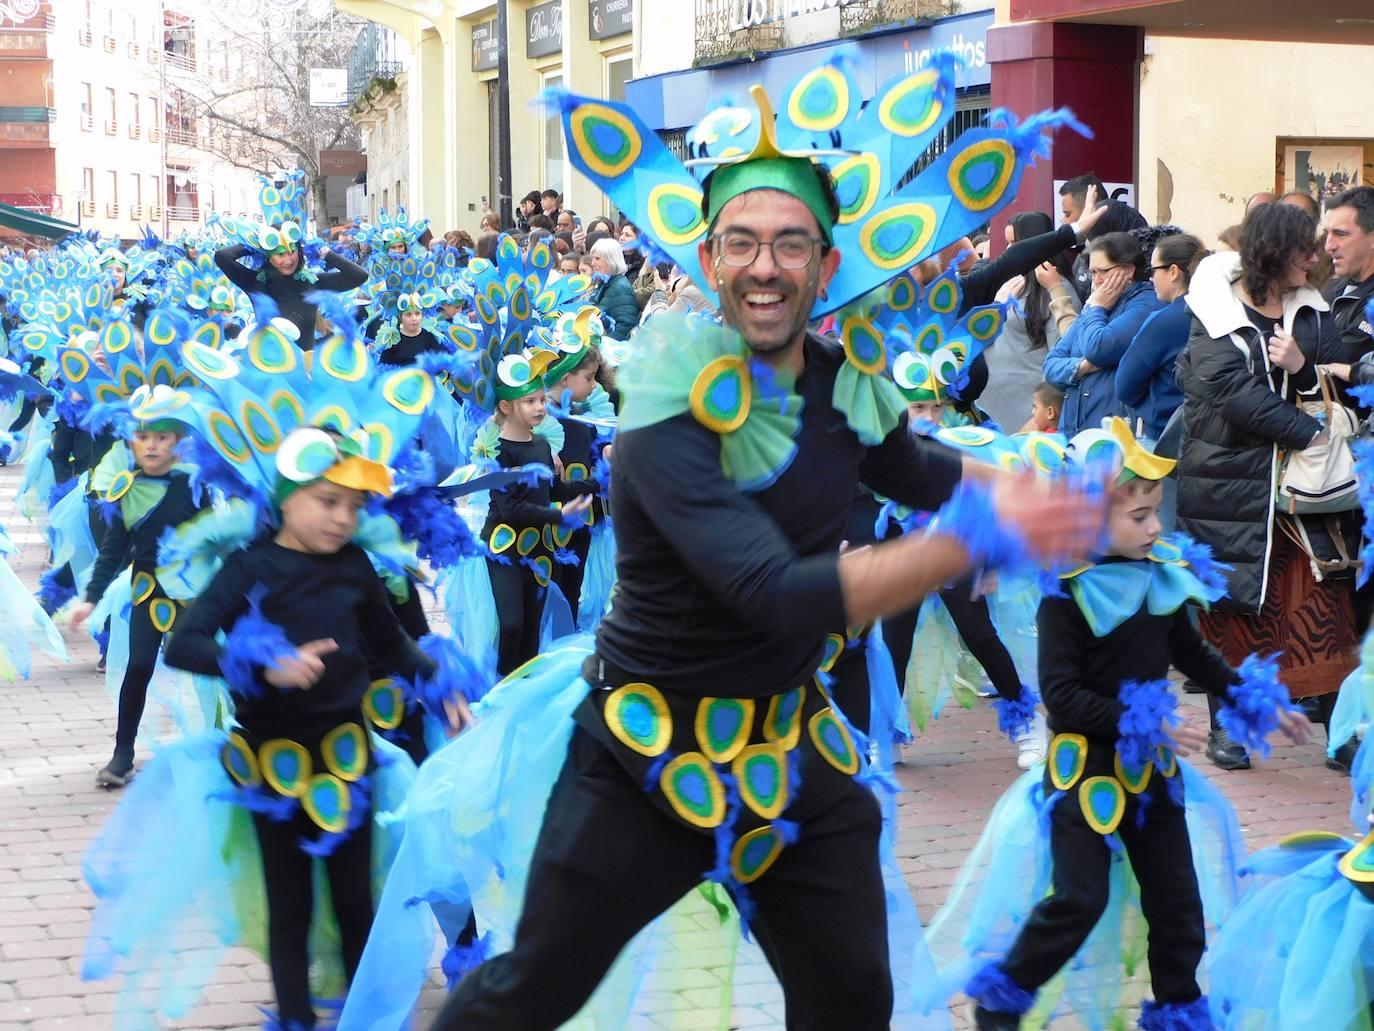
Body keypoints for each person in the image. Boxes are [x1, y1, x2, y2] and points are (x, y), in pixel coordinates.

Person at [427, 78, 1103, 1030]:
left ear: (825, 265)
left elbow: (914, 468)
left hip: (788, 748)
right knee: (526, 992)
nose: (765, 266)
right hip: (643, 756)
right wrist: (983, 537)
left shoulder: (840, 379)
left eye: (791, 244)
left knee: (851, 999)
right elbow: (777, 592)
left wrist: (1044, 493)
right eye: (741, 242)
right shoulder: (667, 413)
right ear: (708, 258)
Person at [959, 421, 1310, 1031]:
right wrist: (1139, 722)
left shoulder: (1158, 576)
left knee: (1178, 903)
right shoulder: (1064, 596)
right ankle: (1003, 994)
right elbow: (1062, 700)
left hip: (1151, 772)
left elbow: (1193, 656)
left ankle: (1177, 1010)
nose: (1156, 528)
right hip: (1084, 773)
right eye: (1141, 517)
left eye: (1155, 514)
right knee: (1078, 897)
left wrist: (1255, 699)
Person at [163, 430, 443, 1031]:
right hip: (273, 766)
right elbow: (183, 644)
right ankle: (295, 1020)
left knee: (353, 904)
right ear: (287, 499)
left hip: (348, 760)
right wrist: (261, 664)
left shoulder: (354, 567)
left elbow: (392, 643)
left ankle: (365, 1019)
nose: (343, 518)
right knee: (289, 904)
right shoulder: (250, 567)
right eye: (327, 500)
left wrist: (443, 687)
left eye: (354, 506)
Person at [1176, 201, 1356, 771]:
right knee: (1233, 611)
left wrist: (1303, 371)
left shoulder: (1314, 309)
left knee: (1320, 610)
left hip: (1303, 493)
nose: (1317, 254)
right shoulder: (1212, 304)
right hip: (1229, 486)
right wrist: (1312, 434)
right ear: (1275, 252)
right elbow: (1225, 387)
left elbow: (1334, 382)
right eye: (1307, 246)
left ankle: (1340, 731)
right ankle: (1226, 726)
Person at [70, 394, 203, 788]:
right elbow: (113, 550)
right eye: (143, 436)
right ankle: (122, 752)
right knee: (140, 665)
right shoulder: (126, 488)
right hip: (147, 591)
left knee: (213, 669)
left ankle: (233, 744)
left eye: (162, 437)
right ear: (131, 441)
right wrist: (91, 597)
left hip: (196, 593)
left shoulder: (196, 485)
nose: (152, 445)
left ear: (178, 442)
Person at [481, 354, 594, 674]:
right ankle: (500, 693)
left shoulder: (542, 446)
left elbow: (553, 489)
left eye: (542, 400)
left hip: (540, 551)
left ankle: (521, 694)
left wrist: (598, 483)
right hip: (505, 550)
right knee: (513, 624)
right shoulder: (498, 451)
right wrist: (560, 516)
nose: (541, 407)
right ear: (506, 407)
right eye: (530, 401)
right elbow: (510, 508)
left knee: (532, 630)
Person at [1042, 231, 1165, 437]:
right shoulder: (1095, 304)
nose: (1097, 280)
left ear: (1128, 270)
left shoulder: (1145, 304)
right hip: (1076, 434)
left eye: (1103, 271)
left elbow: (1098, 347)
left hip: (1114, 437)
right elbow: (1051, 366)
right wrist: (1083, 367)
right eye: (1093, 272)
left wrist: (1097, 307)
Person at [979, 211, 1080, 430]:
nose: (1008, 250)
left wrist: (1037, 421)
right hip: (989, 412)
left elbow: (1063, 357)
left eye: (1014, 243)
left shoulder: (1057, 288)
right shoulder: (1009, 283)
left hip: (1027, 419)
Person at [1116, 232, 1209, 440]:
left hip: (1166, 436)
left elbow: (1125, 386)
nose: (1151, 278)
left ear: (1173, 271)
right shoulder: (1219, 310)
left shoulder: (1163, 321)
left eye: (1154, 270)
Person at [1321, 186, 1374, 409]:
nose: (1328, 246)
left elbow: (1342, 359)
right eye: (1327, 234)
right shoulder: (1332, 288)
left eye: (1340, 234)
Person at [587, 238, 639, 340]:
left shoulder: (620, 287)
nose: (592, 263)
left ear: (611, 260)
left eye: (597, 258)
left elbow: (625, 327)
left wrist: (603, 347)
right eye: (592, 259)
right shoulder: (606, 282)